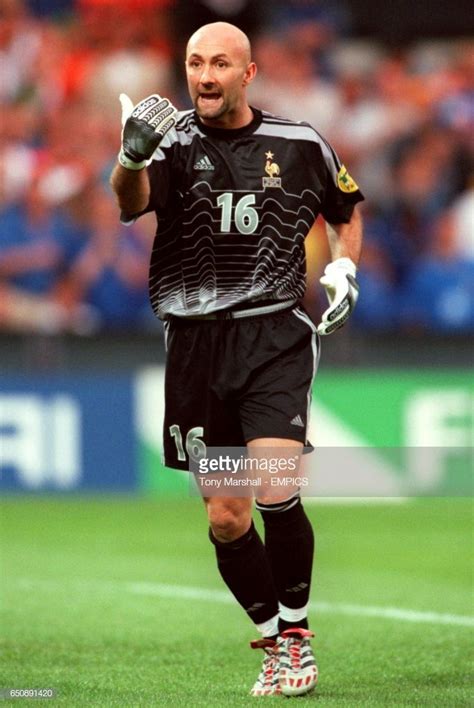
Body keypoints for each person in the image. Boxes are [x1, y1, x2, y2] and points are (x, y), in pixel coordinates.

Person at [110, 21, 363, 697]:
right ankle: (277, 636)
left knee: (276, 485)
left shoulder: (299, 143)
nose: (206, 74)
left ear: (248, 73)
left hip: (273, 337)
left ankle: (298, 638)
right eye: (195, 63)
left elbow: (345, 210)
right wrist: (130, 160)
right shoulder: (168, 142)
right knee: (226, 516)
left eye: (221, 62)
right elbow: (131, 206)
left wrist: (343, 271)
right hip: (195, 347)